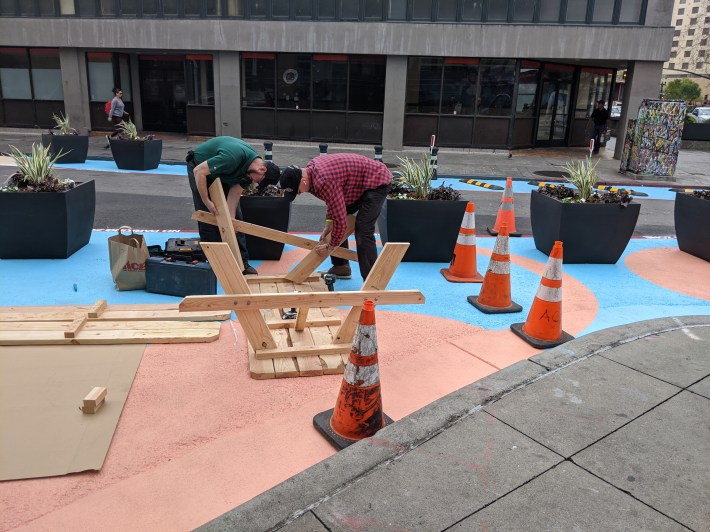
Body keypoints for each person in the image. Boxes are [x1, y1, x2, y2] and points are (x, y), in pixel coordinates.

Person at [279, 153, 392, 281]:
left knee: (363, 229)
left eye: (297, 191)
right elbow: (332, 203)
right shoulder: (311, 171)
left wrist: (330, 247)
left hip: (377, 181)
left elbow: (340, 220)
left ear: (303, 181)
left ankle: (372, 280)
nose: (299, 194)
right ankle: (341, 267)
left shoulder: (323, 181)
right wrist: (328, 223)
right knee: (335, 224)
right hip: (355, 186)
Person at [186, 137, 281, 275]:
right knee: (209, 217)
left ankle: (242, 263)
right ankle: (215, 265)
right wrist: (207, 201)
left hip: (224, 173)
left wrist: (231, 220)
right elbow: (199, 172)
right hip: (200, 168)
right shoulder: (233, 158)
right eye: (259, 181)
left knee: (236, 221)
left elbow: (235, 192)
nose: (255, 183)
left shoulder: (250, 171)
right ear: (261, 169)